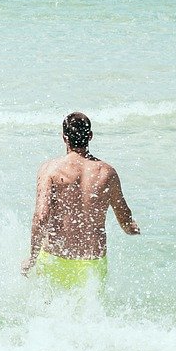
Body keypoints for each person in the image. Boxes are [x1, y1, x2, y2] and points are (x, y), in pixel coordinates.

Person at [25, 111, 139, 288]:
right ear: (90, 136)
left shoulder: (50, 170)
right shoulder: (107, 173)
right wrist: (132, 228)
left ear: (64, 138)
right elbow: (125, 219)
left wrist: (31, 258)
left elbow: (41, 216)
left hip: (56, 258)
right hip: (92, 262)